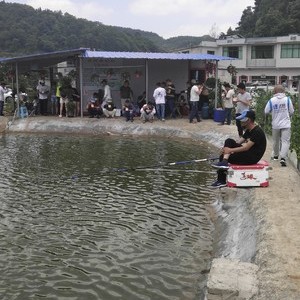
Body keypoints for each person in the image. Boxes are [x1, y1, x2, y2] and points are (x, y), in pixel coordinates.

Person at [211, 110, 267, 187]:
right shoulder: (249, 130)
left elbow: (246, 148)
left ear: (248, 120)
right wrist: (226, 149)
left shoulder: (257, 131)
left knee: (222, 156)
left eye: (242, 120)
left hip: (252, 157)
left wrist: (230, 150)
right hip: (248, 153)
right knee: (229, 141)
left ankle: (221, 180)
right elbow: (238, 143)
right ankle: (224, 161)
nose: (240, 122)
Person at [264, 85, 294, 167]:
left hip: (275, 124)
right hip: (286, 124)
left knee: (275, 141)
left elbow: (266, 111)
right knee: (285, 141)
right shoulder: (287, 99)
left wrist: (273, 113)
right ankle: (283, 158)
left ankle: (276, 156)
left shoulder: (271, 100)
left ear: (275, 91)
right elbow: (291, 111)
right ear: (283, 91)